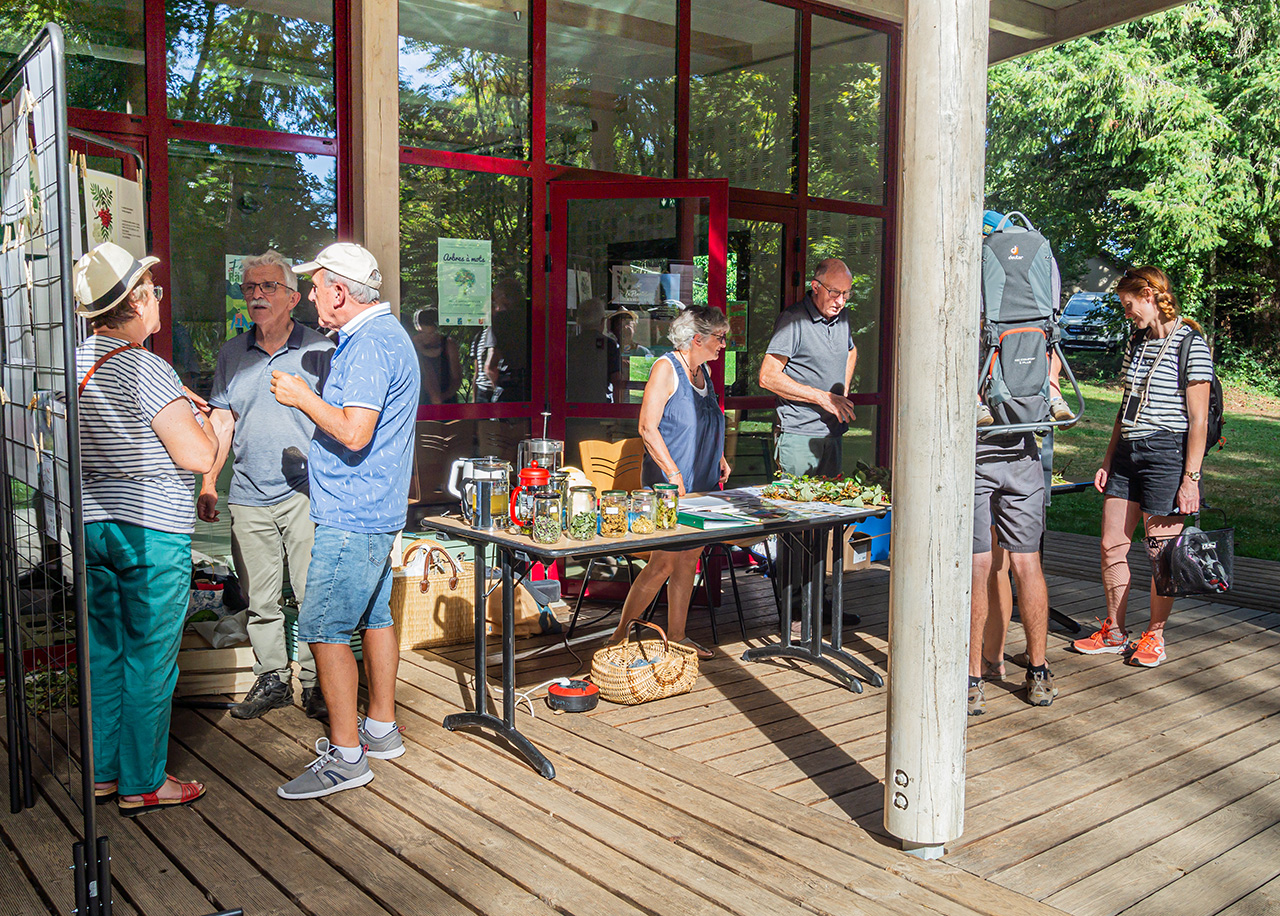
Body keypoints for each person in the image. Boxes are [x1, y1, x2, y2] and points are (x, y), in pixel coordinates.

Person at [270, 243, 420, 799]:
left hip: (354, 512)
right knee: (375, 616)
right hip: (375, 507)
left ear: (339, 290)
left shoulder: (368, 345)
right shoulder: (386, 336)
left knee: (323, 629)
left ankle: (347, 757)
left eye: (315, 286)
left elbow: (355, 432)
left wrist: (302, 397)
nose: (309, 295)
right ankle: (380, 727)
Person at [74, 242, 219, 815]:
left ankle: (104, 773)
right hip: (149, 532)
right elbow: (192, 455)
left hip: (90, 525)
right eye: (152, 291)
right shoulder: (145, 365)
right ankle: (143, 781)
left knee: (105, 652)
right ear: (135, 301)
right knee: (151, 657)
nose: (157, 299)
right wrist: (210, 425)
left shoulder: (74, 360)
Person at [198, 250, 334, 721]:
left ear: (293, 298)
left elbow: (343, 421)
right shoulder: (233, 353)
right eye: (250, 287)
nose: (256, 295)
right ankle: (272, 677)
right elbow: (221, 421)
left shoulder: (321, 350)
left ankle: (319, 684)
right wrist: (209, 481)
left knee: (312, 595)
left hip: (306, 494)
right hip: (249, 494)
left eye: (268, 287)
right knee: (261, 600)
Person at [1073, 267, 1212, 668]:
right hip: (1127, 452)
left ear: (1149, 294)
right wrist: (1107, 458)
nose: (1127, 312)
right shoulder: (1138, 341)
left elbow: (1198, 420)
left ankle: (1155, 635)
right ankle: (1113, 631)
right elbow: (1126, 406)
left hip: (1167, 454)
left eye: (1129, 304)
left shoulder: (1190, 342)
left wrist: (1191, 479)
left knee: (1162, 554)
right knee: (1110, 543)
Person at [605, 306, 731, 660]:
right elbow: (648, 426)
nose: (724, 344)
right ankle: (619, 637)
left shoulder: (702, 370)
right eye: (720, 337)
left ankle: (677, 635)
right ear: (697, 339)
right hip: (669, 484)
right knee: (662, 562)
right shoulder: (666, 369)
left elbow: (706, 421)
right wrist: (673, 473)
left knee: (689, 560)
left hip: (702, 480)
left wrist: (719, 456)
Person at [969, 427, 1057, 714]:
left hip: (975, 453)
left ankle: (972, 682)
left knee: (978, 564)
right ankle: (1039, 675)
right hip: (1022, 453)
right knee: (1027, 562)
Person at [759, 258, 858, 478]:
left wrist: (843, 390)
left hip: (833, 433)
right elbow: (767, 377)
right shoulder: (793, 320)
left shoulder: (842, 318)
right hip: (798, 435)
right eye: (834, 292)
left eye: (846, 293)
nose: (840, 301)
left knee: (831, 509)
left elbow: (851, 351)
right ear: (815, 287)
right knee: (796, 510)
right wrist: (821, 397)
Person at [411, 308, 462, 404]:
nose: (426, 338)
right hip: (418, 401)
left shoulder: (448, 345)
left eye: (431, 334)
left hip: (446, 400)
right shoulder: (410, 345)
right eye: (422, 333)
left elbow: (456, 378)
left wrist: (442, 397)